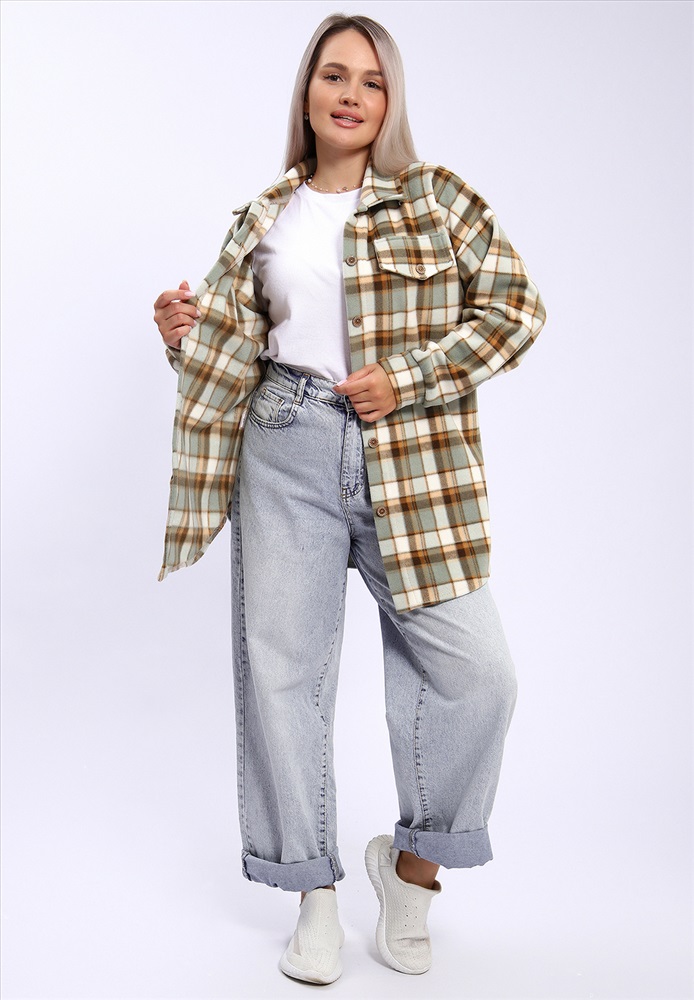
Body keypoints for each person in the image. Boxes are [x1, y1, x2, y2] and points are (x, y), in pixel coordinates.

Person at [153, 12, 546, 986]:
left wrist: (407, 376)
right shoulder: (263, 217)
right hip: (282, 442)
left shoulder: (438, 198)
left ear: (389, 100)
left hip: (411, 456)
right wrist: (182, 335)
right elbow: (232, 359)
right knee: (283, 676)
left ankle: (411, 874)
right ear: (307, 91)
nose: (351, 94)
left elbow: (515, 309)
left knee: (479, 675)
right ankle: (313, 896)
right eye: (334, 74)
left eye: (372, 81)